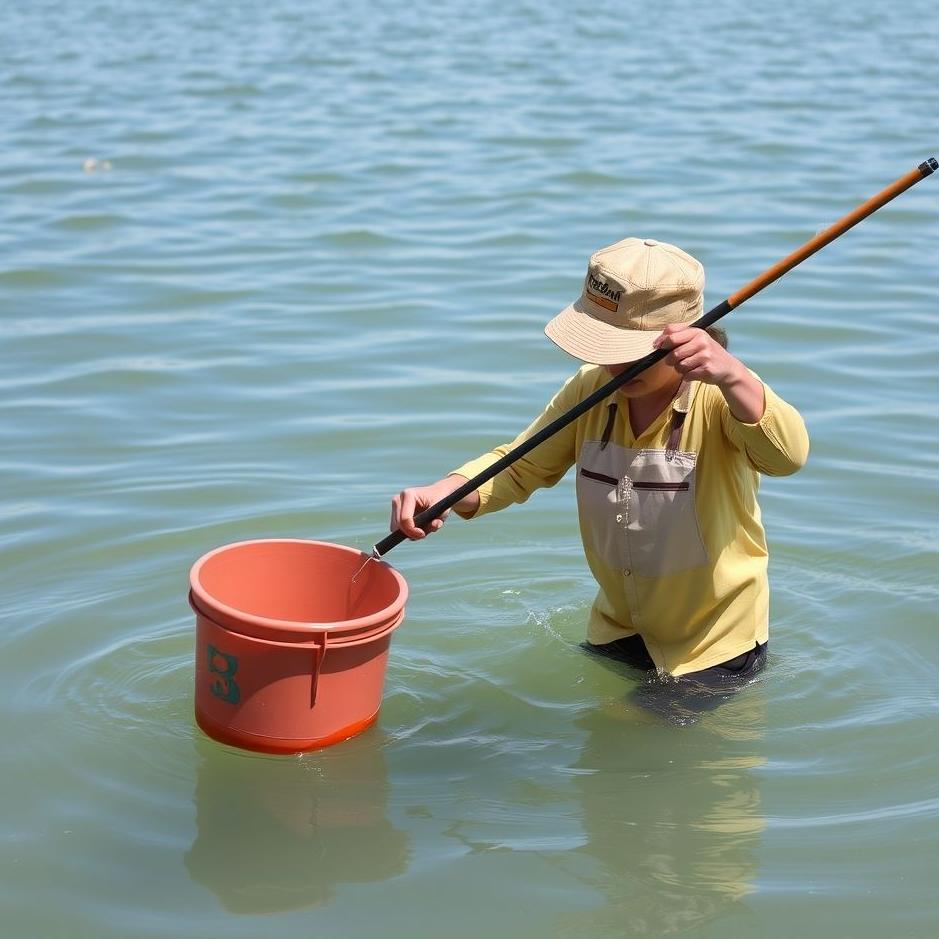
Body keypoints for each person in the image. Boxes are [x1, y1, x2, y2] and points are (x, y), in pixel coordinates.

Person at [390, 237, 809, 693]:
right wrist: (443, 492)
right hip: (617, 631)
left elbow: (787, 457)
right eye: (605, 344)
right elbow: (515, 467)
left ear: (690, 337)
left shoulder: (720, 398)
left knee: (636, 741)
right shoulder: (590, 389)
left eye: (630, 348)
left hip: (714, 649)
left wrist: (734, 374)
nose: (613, 362)